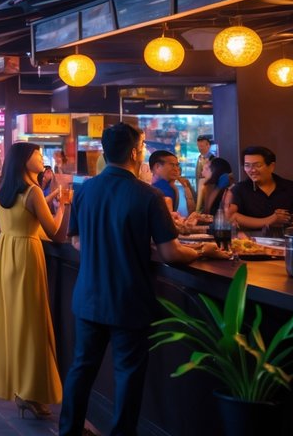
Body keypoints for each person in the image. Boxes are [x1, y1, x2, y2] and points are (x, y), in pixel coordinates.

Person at [58, 122, 222, 436]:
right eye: (142, 146)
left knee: (81, 369)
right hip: (127, 299)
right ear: (135, 152)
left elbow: (76, 241)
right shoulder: (147, 196)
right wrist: (202, 251)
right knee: (128, 374)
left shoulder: (84, 189)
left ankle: (69, 430)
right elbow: (172, 253)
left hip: (89, 297)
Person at [0, 143, 70, 420]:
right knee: (31, 325)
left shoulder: (5, 190)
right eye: (38, 155)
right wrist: (65, 206)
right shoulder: (33, 191)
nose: (42, 159)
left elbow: (0, 226)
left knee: (12, 323)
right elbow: (57, 234)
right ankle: (30, 392)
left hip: (4, 254)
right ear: (25, 161)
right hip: (26, 257)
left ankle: (20, 388)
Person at [227, 146, 293, 232]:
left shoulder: (292, 187)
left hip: (287, 240)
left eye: (257, 165)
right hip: (253, 241)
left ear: (271, 166)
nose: (252, 170)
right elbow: (231, 215)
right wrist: (270, 220)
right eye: (247, 165)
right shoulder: (239, 189)